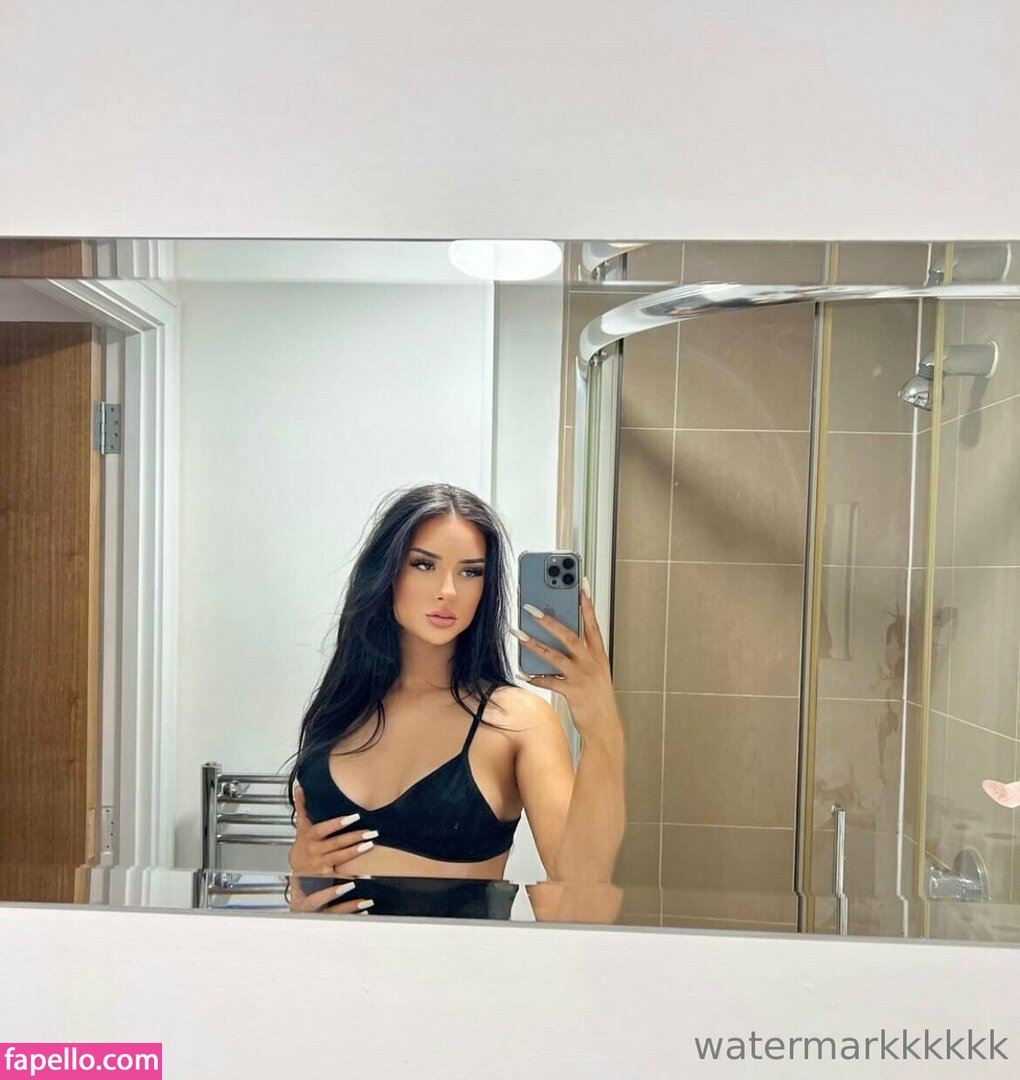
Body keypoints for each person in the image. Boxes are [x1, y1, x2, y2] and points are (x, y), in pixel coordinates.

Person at [286, 483, 624, 916]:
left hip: (455, 961)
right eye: (424, 564)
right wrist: (300, 885)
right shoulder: (342, 709)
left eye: (470, 572)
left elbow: (583, 894)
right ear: (386, 572)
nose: (448, 590)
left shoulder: (516, 721)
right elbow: (307, 876)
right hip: (325, 959)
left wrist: (602, 730)